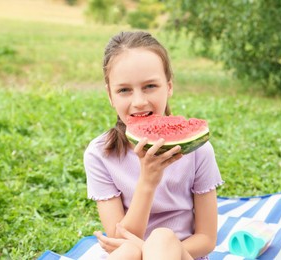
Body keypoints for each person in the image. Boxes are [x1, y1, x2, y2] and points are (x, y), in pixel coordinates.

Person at [84, 31, 224, 260]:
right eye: (124, 90)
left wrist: (156, 250)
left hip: (182, 254)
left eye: (150, 86)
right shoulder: (99, 155)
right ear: (110, 95)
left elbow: (207, 239)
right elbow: (120, 239)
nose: (139, 102)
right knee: (127, 251)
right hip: (131, 252)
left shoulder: (199, 151)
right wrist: (148, 180)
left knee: (161, 238)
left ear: (168, 87)